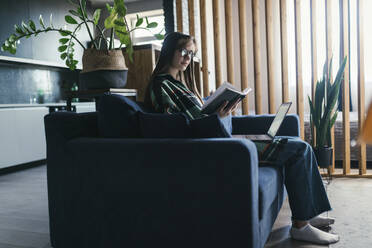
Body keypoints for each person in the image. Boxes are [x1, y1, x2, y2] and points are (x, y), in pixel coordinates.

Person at [144, 32, 339, 245]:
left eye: (191, 53)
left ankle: (308, 214)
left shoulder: (178, 83)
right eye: (183, 51)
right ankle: (300, 226)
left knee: (301, 145)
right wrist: (216, 117)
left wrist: (219, 110)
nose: (187, 58)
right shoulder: (161, 86)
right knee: (299, 149)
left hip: (223, 140)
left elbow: (194, 119)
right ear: (168, 50)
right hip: (220, 147)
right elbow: (178, 129)